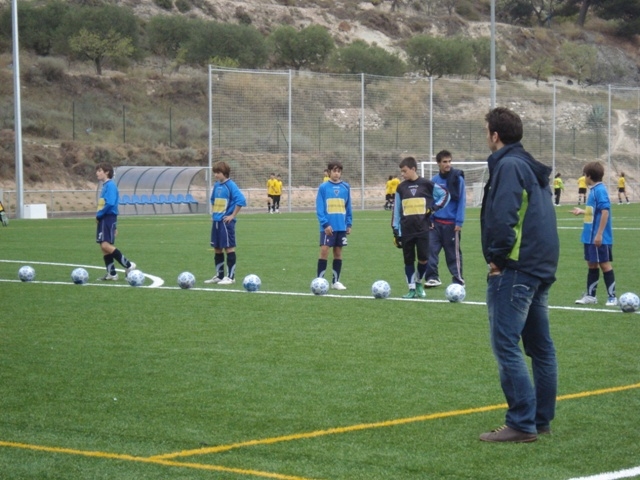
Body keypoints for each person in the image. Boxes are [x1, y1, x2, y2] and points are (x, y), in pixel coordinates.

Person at [479, 107, 559, 443]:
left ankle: (522, 422)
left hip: (516, 268)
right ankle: (540, 419)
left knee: (505, 343)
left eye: (487, 131)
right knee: (540, 348)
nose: (486, 136)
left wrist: (498, 258)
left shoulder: (509, 165)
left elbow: (504, 216)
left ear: (495, 135)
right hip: (539, 266)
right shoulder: (527, 164)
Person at [392, 156, 449, 299]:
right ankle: (411, 288)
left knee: (423, 259)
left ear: (413, 169)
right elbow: (396, 210)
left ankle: (418, 282)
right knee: (408, 260)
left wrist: (434, 208)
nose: (403, 174)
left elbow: (445, 195)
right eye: (401, 172)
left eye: (405, 171)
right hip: (406, 230)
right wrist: (395, 231)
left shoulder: (427, 184)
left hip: (423, 229)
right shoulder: (401, 187)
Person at [572, 161, 618, 306]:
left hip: (597, 237)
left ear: (589, 175)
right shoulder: (594, 190)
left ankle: (612, 297)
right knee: (592, 264)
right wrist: (582, 211)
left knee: (604, 265)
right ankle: (591, 296)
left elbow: (605, 211)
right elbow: (596, 210)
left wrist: (599, 234)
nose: (584, 178)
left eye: (584, 175)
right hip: (589, 236)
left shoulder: (600, 190)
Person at [425, 150, 465, 287]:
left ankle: (458, 279)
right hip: (435, 223)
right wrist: (429, 218)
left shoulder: (458, 178)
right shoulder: (435, 181)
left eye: (449, 161)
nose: (448, 164)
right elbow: (430, 201)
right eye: (444, 162)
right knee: (430, 250)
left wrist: (459, 221)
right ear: (438, 164)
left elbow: (462, 201)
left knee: (453, 254)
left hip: (451, 224)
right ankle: (432, 277)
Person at [204, 161, 247, 285]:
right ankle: (219, 275)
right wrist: (214, 214)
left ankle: (231, 277)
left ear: (225, 173)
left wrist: (232, 215)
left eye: (218, 173)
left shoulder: (231, 185)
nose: (216, 175)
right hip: (217, 222)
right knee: (217, 248)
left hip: (226, 223)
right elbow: (213, 200)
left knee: (229, 248)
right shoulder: (217, 185)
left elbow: (241, 200)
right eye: (215, 173)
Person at [95, 163, 137, 281]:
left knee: (105, 245)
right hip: (104, 218)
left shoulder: (111, 186)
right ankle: (112, 273)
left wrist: (100, 215)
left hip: (107, 217)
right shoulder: (105, 186)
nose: (97, 173)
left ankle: (129, 265)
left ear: (107, 172)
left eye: (99, 170)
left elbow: (111, 203)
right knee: (103, 246)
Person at [316, 161, 352, 290]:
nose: (336, 173)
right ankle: (320, 281)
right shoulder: (323, 187)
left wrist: (349, 223)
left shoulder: (346, 187)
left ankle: (336, 281)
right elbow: (320, 208)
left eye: (338, 171)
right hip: (327, 227)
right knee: (324, 251)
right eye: (334, 171)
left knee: (338, 253)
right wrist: (325, 224)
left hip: (341, 227)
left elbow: (348, 207)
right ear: (329, 172)